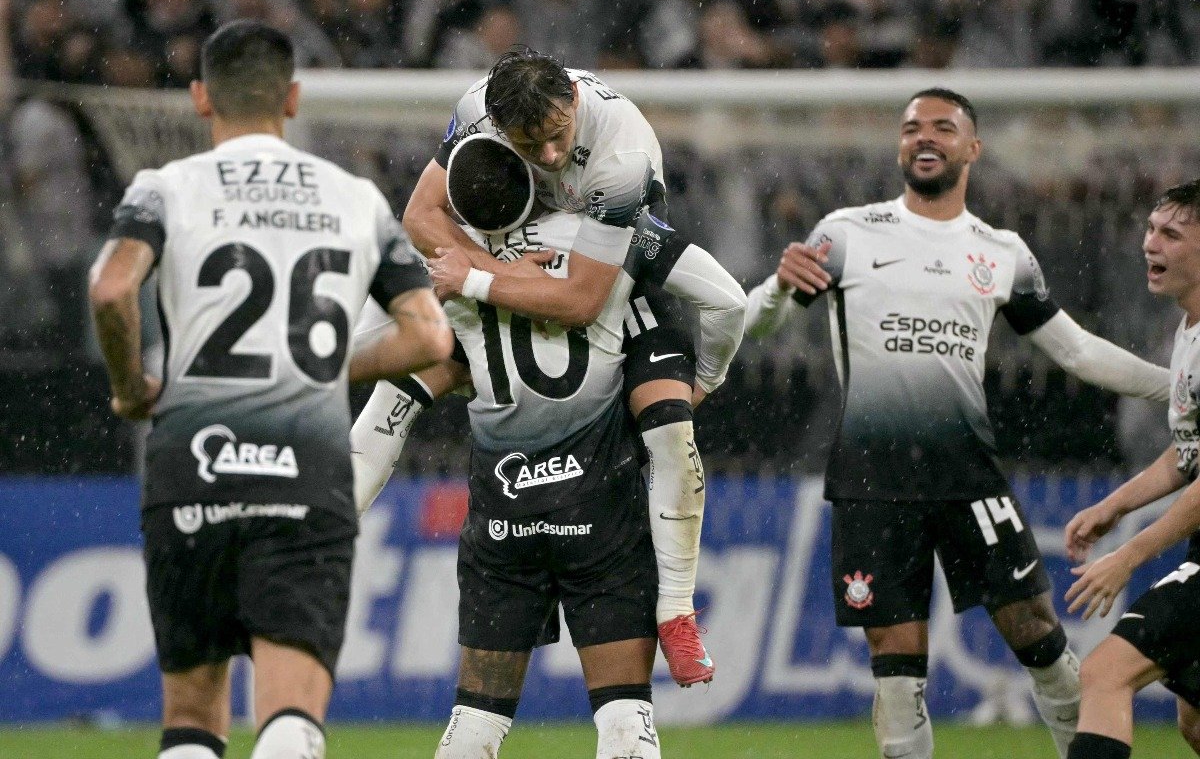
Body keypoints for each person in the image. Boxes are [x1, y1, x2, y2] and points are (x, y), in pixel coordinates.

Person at [743, 88, 1171, 759]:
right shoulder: (847, 232)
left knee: (1036, 631)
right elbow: (755, 324)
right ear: (900, 146)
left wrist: (1175, 387)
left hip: (968, 476)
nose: (924, 137)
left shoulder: (1000, 251)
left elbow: (1078, 350)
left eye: (943, 127)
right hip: (872, 480)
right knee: (896, 665)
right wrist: (774, 288)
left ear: (972, 149)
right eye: (912, 127)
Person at [88, 20, 451, 759]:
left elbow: (110, 288)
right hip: (305, 473)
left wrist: (130, 388)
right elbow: (429, 340)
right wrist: (314, 369)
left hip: (192, 463)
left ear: (198, 99)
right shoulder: (354, 199)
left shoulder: (166, 188)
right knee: (291, 717)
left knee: (190, 720)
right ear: (292, 97)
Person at [365, 46, 721, 685]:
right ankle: (328, 535)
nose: (552, 158)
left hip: (617, 281)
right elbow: (421, 214)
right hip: (512, 272)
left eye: (559, 136)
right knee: (395, 382)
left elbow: (582, 300)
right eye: (533, 145)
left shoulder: (622, 156)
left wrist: (479, 278)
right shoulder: (478, 109)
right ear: (499, 129)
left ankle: (676, 609)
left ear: (575, 104)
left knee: (670, 427)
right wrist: (495, 271)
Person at [1063, 180, 1200, 759]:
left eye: (1171, 233)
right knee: (1195, 724)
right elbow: (1188, 453)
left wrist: (1128, 556)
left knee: (1105, 673)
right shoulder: (1188, 331)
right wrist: (1112, 507)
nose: (1151, 244)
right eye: (1149, 229)